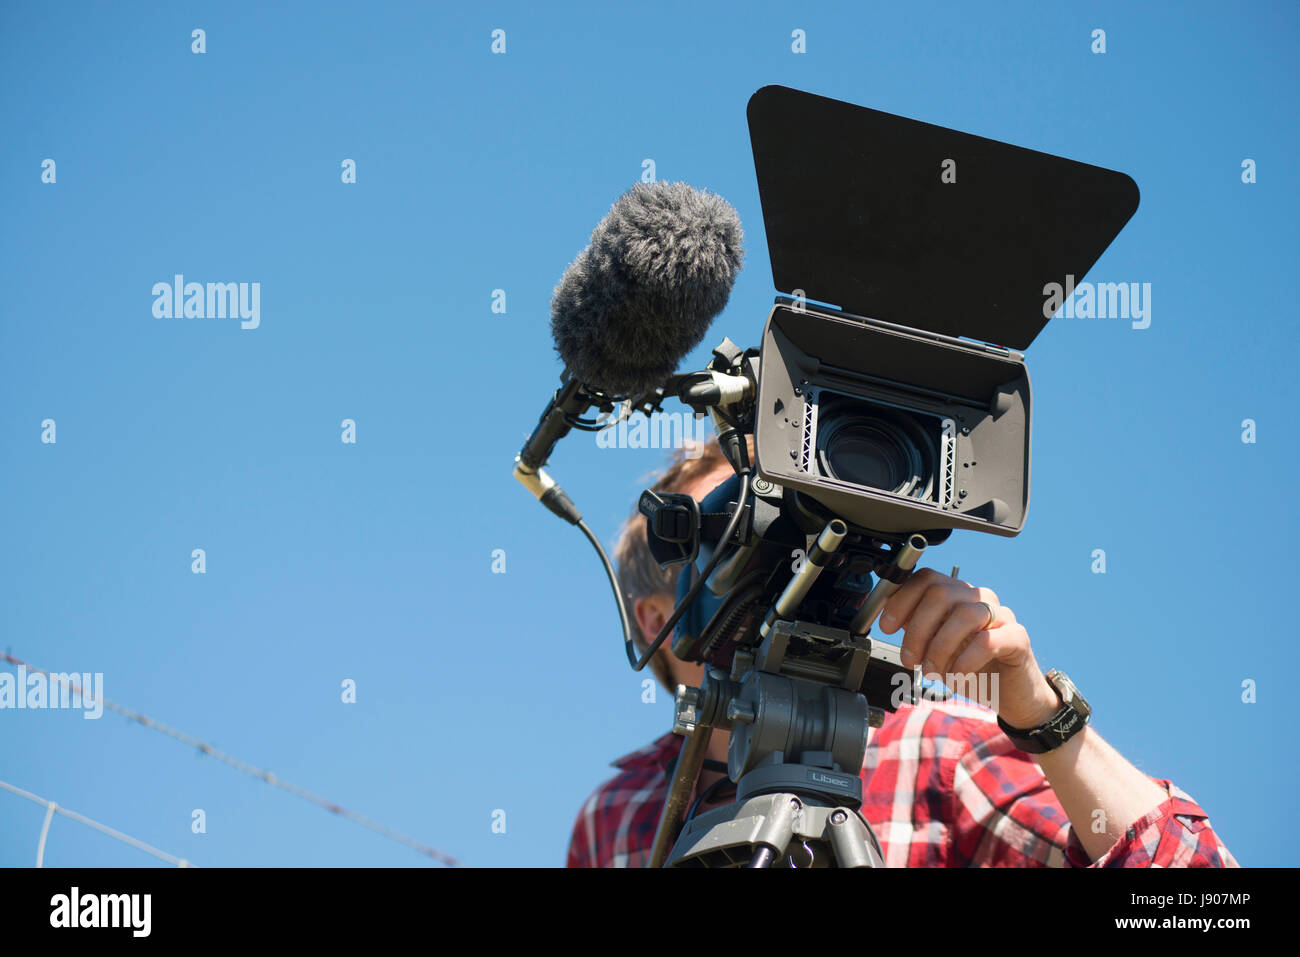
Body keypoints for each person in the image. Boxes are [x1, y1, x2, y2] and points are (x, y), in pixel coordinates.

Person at [566, 438, 1238, 867]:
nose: (779, 548)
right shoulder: (617, 813)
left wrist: (1037, 712)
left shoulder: (940, 747)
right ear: (655, 618)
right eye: (734, 530)